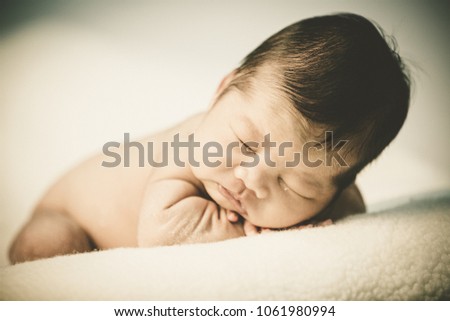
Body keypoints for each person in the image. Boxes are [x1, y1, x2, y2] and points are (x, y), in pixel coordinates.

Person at [8, 13, 410, 264]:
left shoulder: (337, 193)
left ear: (339, 186)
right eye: (247, 144)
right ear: (222, 90)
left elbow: (353, 212)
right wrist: (258, 235)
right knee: (44, 248)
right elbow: (161, 232)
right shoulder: (189, 146)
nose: (250, 179)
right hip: (68, 217)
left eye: (293, 184)